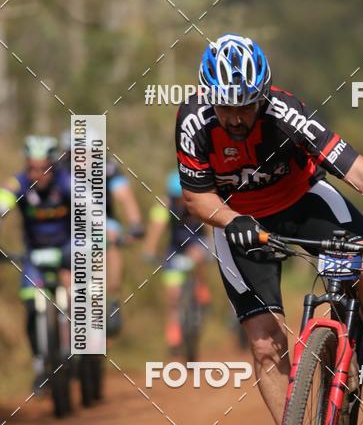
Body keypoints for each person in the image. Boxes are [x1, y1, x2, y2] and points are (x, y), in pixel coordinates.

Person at [175, 34, 363, 425]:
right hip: (238, 220)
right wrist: (232, 220)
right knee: (264, 342)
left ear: (262, 97)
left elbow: (358, 171)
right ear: (209, 97)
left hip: (303, 203)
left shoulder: (286, 113)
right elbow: (196, 197)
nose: (235, 118)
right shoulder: (193, 121)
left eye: (245, 107)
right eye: (226, 107)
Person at [0, 136, 71, 392]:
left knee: (76, 294)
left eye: (43, 168)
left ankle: (81, 346)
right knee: (31, 305)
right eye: (31, 168)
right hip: (34, 254)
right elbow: (3, 203)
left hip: (68, 248)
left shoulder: (67, 182)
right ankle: (40, 365)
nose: (37, 174)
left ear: (53, 165)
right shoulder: (18, 183)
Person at [58, 131, 145, 335]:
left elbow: (124, 196)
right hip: (67, 225)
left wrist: (135, 223)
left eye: (87, 153)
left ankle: (112, 299)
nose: (82, 159)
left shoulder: (107, 168)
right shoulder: (58, 170)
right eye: (76, 153)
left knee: (110, 237)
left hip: (103, 221)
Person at [143, 170, 212, 355]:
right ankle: (174, 337)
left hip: (197, 243)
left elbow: (210, 225)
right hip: (175, 249)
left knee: (197, 255)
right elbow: (155, 230)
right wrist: (149, 251)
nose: (181, 200)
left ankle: (202, 287)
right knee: (173, 296)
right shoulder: (164, 206)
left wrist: (213, 247)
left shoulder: (199, 202)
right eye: (176, 197)